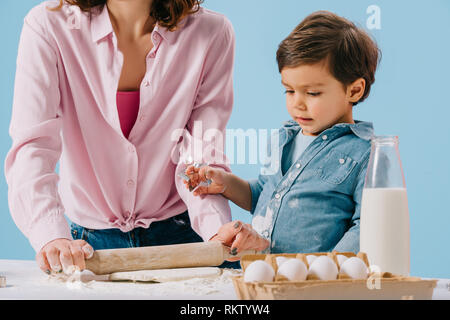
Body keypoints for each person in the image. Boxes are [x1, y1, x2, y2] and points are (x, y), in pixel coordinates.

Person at [5, 0, 262, 274]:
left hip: (183, 242)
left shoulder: (210, 32)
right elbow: (32, 147)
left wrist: (214, 231)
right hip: (85, 249)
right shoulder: (49, 25)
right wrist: (51, 235)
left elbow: (200, 156)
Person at [183, 11, 381, 255]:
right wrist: (225, 184)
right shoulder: (284, 138)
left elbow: (366, 226)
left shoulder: (365, 153)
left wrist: (330, 268)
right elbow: (263, 195)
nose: (297, 103)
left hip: (314, 284)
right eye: (289, 91)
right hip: (264, 273)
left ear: (354, 90)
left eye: (312, 93)